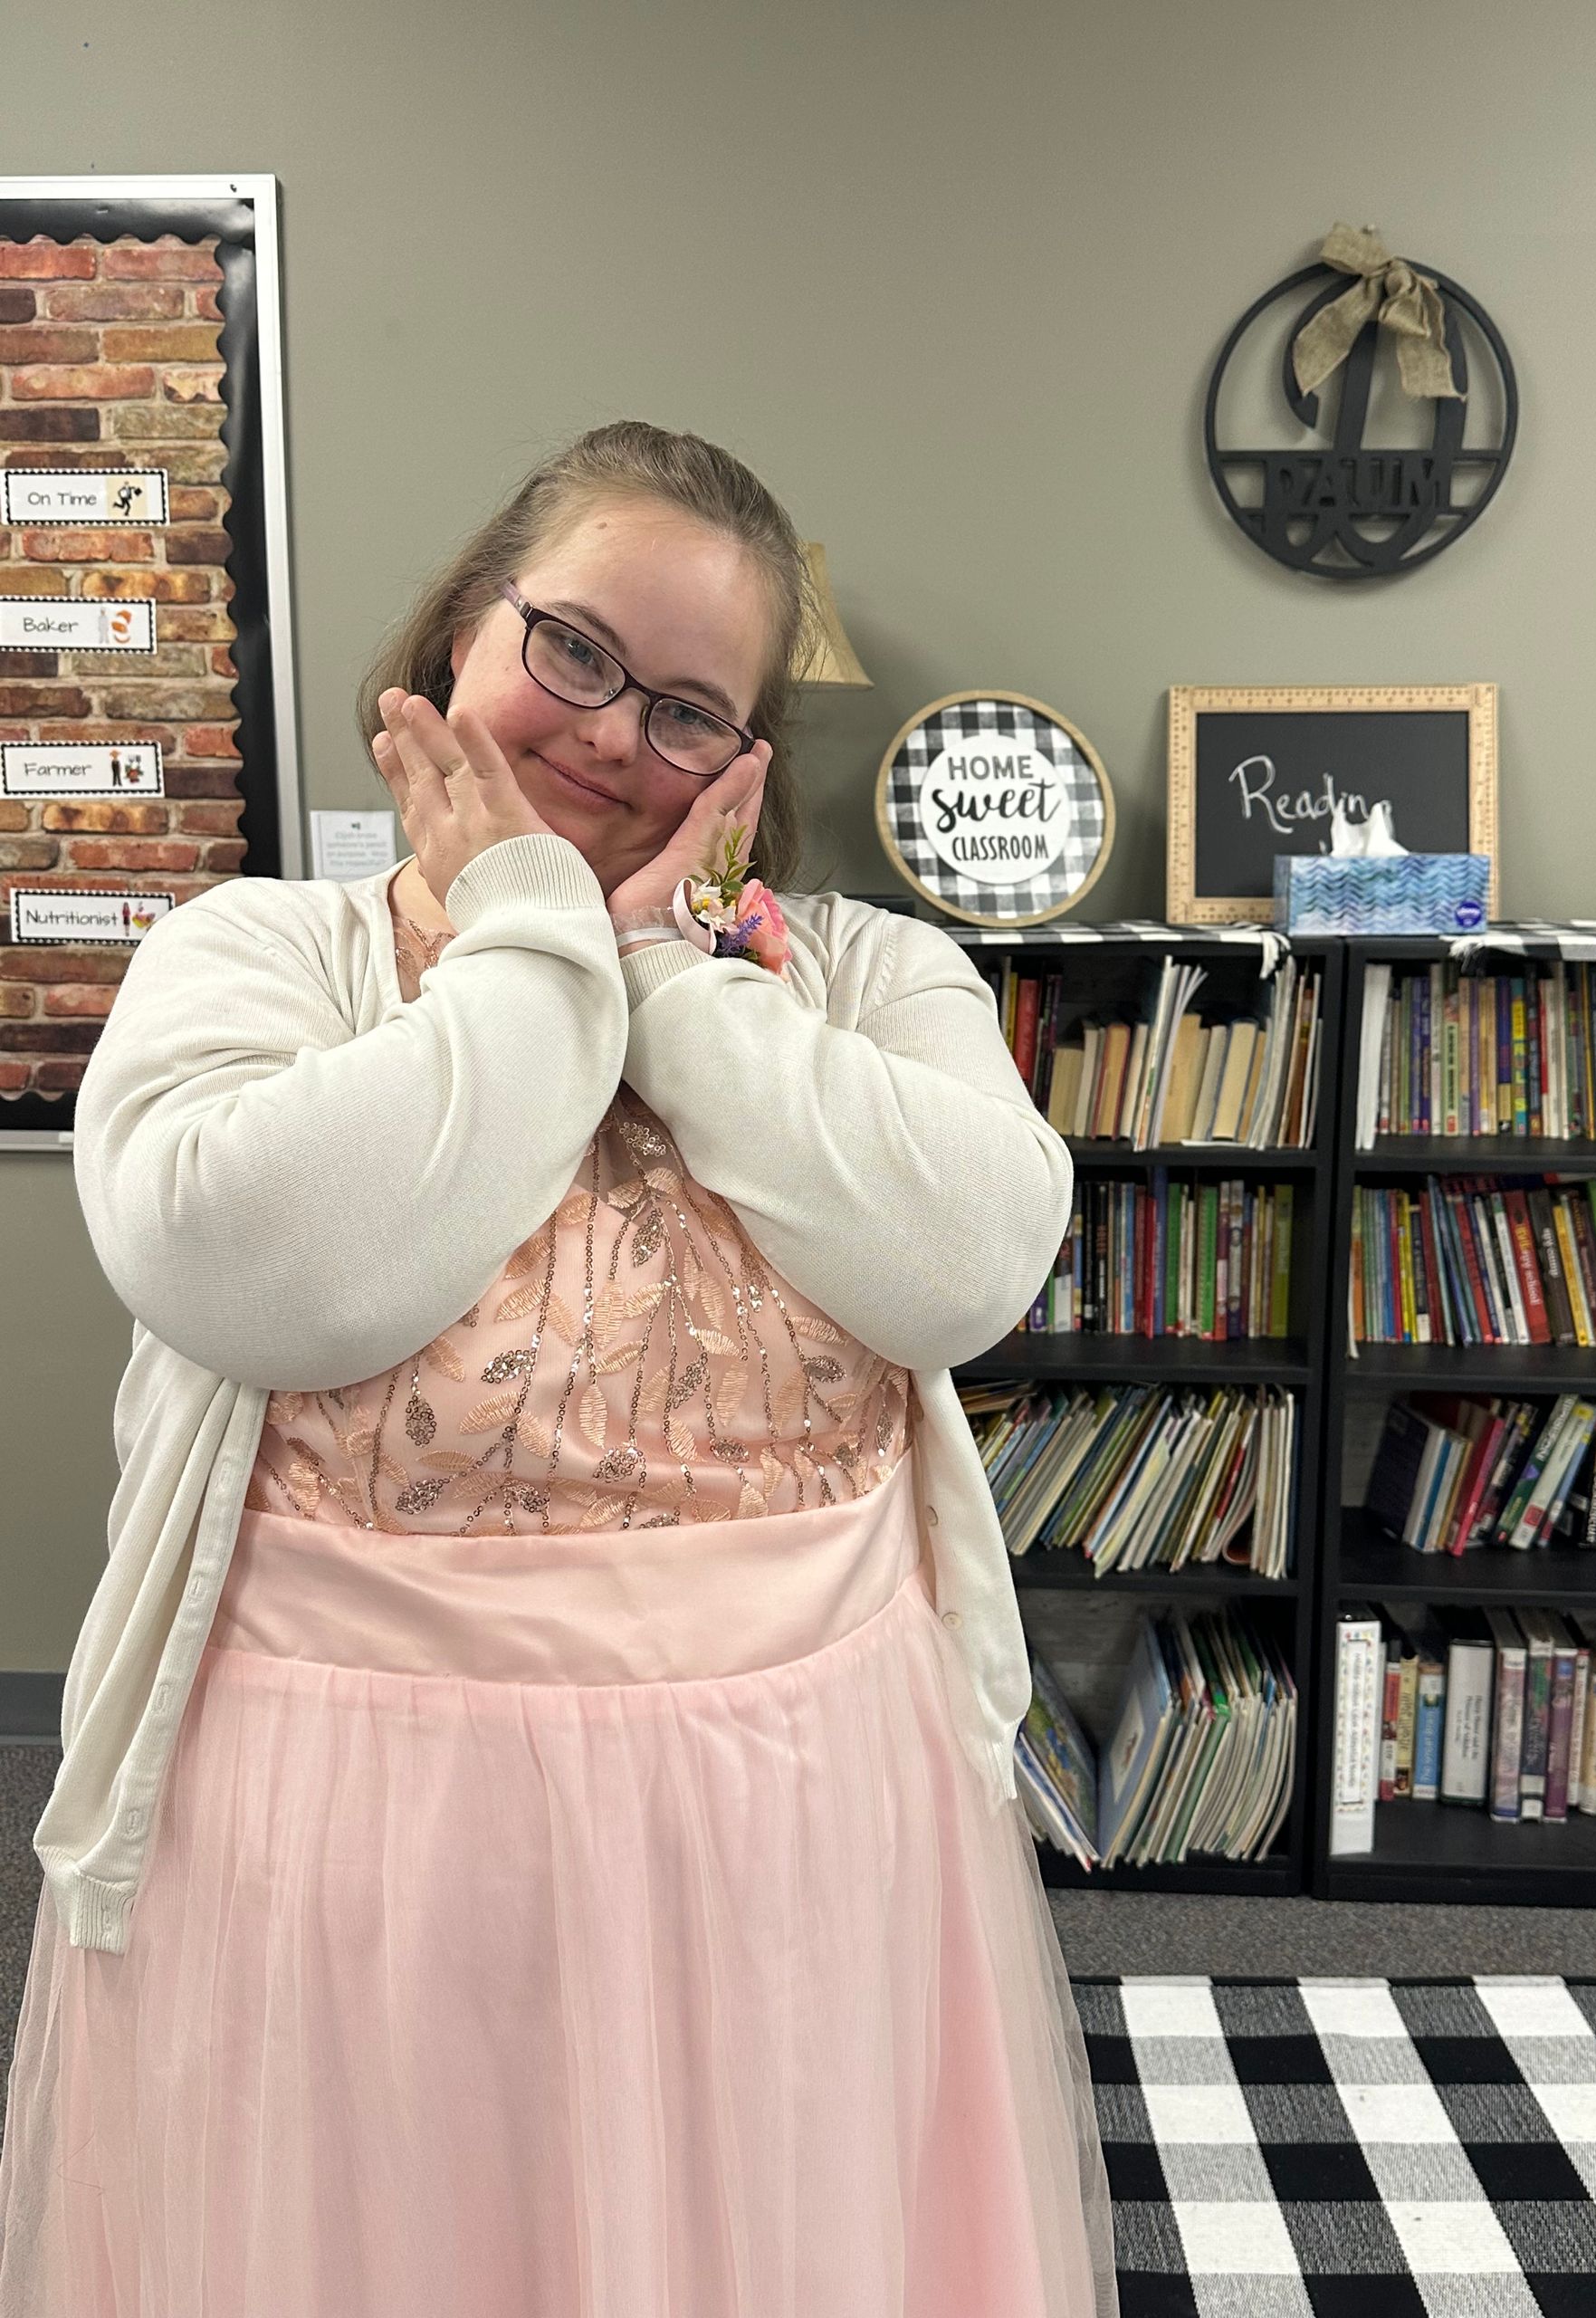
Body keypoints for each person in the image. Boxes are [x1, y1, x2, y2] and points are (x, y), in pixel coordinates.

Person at [0, 419, 1120, 2315]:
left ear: (748, 771)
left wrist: (664, 968)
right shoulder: (256, 954)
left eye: (690, 708)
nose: (615, 735)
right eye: (578, 651)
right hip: (355, 1839)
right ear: (461, 635)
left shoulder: (865, 976)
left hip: (799, 1815)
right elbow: (246, 1266)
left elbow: (969, 1261)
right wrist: (534, 944)